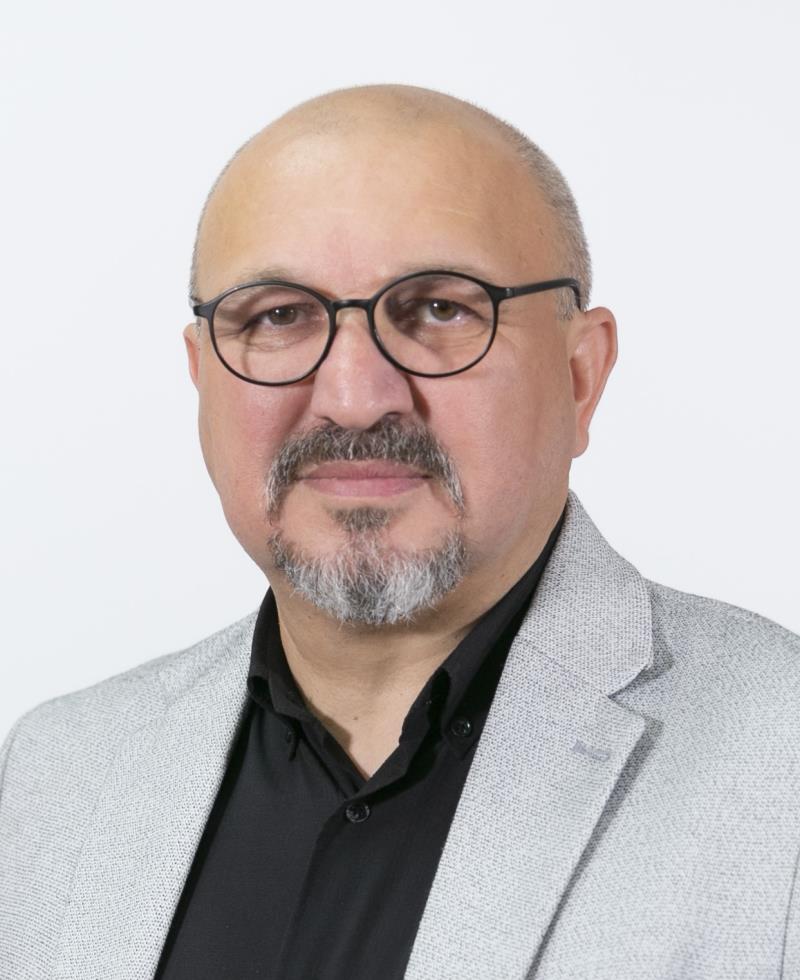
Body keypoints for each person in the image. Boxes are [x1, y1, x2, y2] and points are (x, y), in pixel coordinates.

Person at [1, 84, 799, 980]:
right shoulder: (56, 774)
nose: (354, 397)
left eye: (440, 309)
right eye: (278, 316)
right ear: (202, 379)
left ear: (581, 376)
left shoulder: (782, 766)